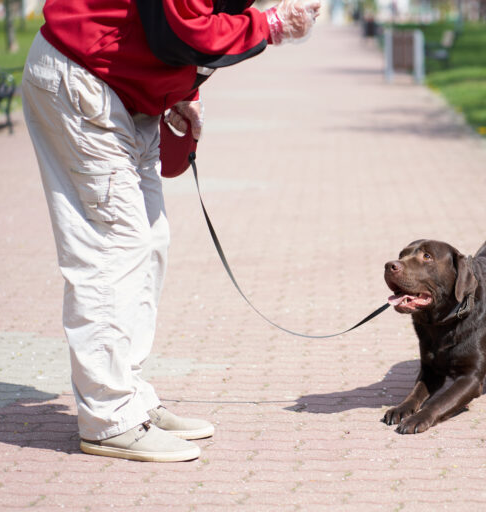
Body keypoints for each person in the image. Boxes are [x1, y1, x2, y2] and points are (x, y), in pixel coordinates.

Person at [21, 0, 320, 463]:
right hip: (85, 78)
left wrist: (182, 86)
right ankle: (109, 418)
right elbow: (180, 32)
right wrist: (272, 25)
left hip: (122, 87)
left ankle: (128, 394)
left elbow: (171, 26)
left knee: (149, 243)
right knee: (113, 250)